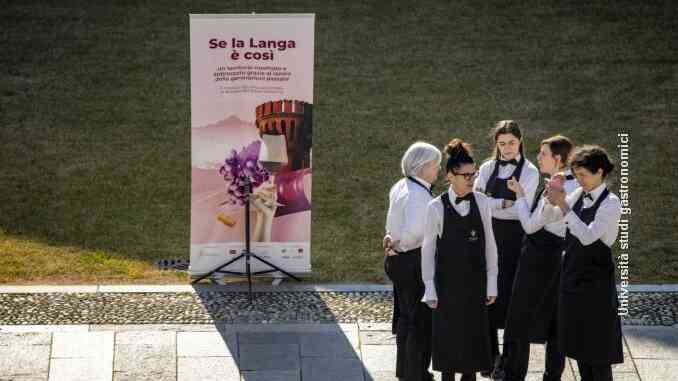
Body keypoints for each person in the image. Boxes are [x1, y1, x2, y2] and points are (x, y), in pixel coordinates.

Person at [502, 135, 578, 381]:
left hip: (539, 256)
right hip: (559, 257)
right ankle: (552, 375)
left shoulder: (559, 187)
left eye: (543, 153)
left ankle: (513, 375)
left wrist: (521, 196)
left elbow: (530, 225)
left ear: (558, 158)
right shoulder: (575, 184)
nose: (538, 157)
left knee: (518, 319)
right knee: (556, 320)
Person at [421, 138, 498, 381]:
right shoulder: (436, 207)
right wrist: (430, 288)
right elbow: (427, 251)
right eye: (466, 175)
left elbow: (491, 245)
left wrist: (492, 282)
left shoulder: (483, 202)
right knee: (448, 346)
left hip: (475, 286)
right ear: (450, 176)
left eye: (473, 174)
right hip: (447, 287)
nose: (471, 179)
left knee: (472, 348)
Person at [545, 145, 624, 381]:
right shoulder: (579, 194)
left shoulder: (611, 203)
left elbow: (589, 236)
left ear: (600, 172)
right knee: (579, 349)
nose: (579, 181)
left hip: (596, 288)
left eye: (583, 175)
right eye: (576, 174)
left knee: (597, 353)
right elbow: (552, 216)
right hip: (573, 282)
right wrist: (551, 193)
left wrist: (564, 205)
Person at [473, 120, 540, 378]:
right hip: (489, 238)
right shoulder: (488, 167)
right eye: (502, 143)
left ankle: (510, 364)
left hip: (515, 240)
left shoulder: (530, 172)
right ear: (496, 144)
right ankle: (489, 358)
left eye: (511, 142)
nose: (507, 148)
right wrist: (504, 202)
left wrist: (495, 204)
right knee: (487, 297)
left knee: (514, 302)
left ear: (520, 141)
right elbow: (478, 202)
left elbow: (523, 207)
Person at [384, 141, 442, 381]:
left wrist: (392, 242)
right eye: (436, 165)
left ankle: (406, 371)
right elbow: (414, 235)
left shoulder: (402, 185)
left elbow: (394, 222)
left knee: (406, 318)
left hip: (398, 260)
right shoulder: (420, 195)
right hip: (412, 260)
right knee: (419, 321)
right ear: (424, 166)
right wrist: (401, 245)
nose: (438, 170)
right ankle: (416, 373)